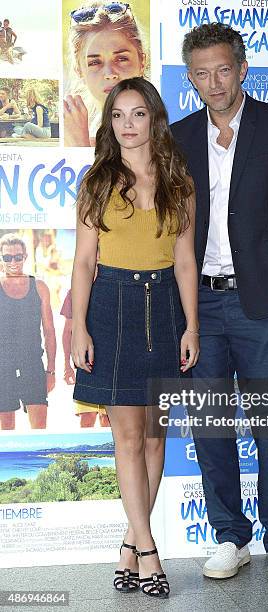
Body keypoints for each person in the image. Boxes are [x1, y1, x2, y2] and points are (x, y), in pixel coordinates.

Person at [171, 23, 268, 583]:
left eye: (222, 70)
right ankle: (230, 536)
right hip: (199, 309)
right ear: (190, 78)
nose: (213, 83)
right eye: (201, 74)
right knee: (210, 428)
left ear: (242, 69)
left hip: (260, 303)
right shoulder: (180, 137)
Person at [71, 77, 199, 598]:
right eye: (118, 115)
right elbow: (83, 262)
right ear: (110, 124)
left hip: (166, 308)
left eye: (138, 114)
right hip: (112, 309)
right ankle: (149, 549)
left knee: (154, 437)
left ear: (154, 120)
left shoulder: (180, 184)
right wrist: (77, 325)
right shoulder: (96, 182)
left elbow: (186, 261)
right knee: (126, 436)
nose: (127, 125)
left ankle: (129, 540)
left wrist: (191, 324)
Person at [64, 1, 147, 147]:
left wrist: (79, 147)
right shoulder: (75, 131)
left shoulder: (160, 129)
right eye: (95, 62)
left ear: (142, 62)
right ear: (79, 71)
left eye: (121, 59)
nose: (109, 74)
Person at [0, 234, 56, 430]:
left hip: (32, 365)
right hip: (2, 367)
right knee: (5, 429)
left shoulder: (39, 287)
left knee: (39, 427)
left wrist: (51, 370)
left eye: (17, 256)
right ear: (1, 258)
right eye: (7, 257)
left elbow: (49, 332)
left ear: (24, 256)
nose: (13, 261)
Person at [60, 289, 110, 427]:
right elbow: (68, 331)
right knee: (87, 418)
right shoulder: (74, 291)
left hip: (112, 366)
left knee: (109, 420)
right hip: (86, 367)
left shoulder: (117, 285)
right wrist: (67, 365)